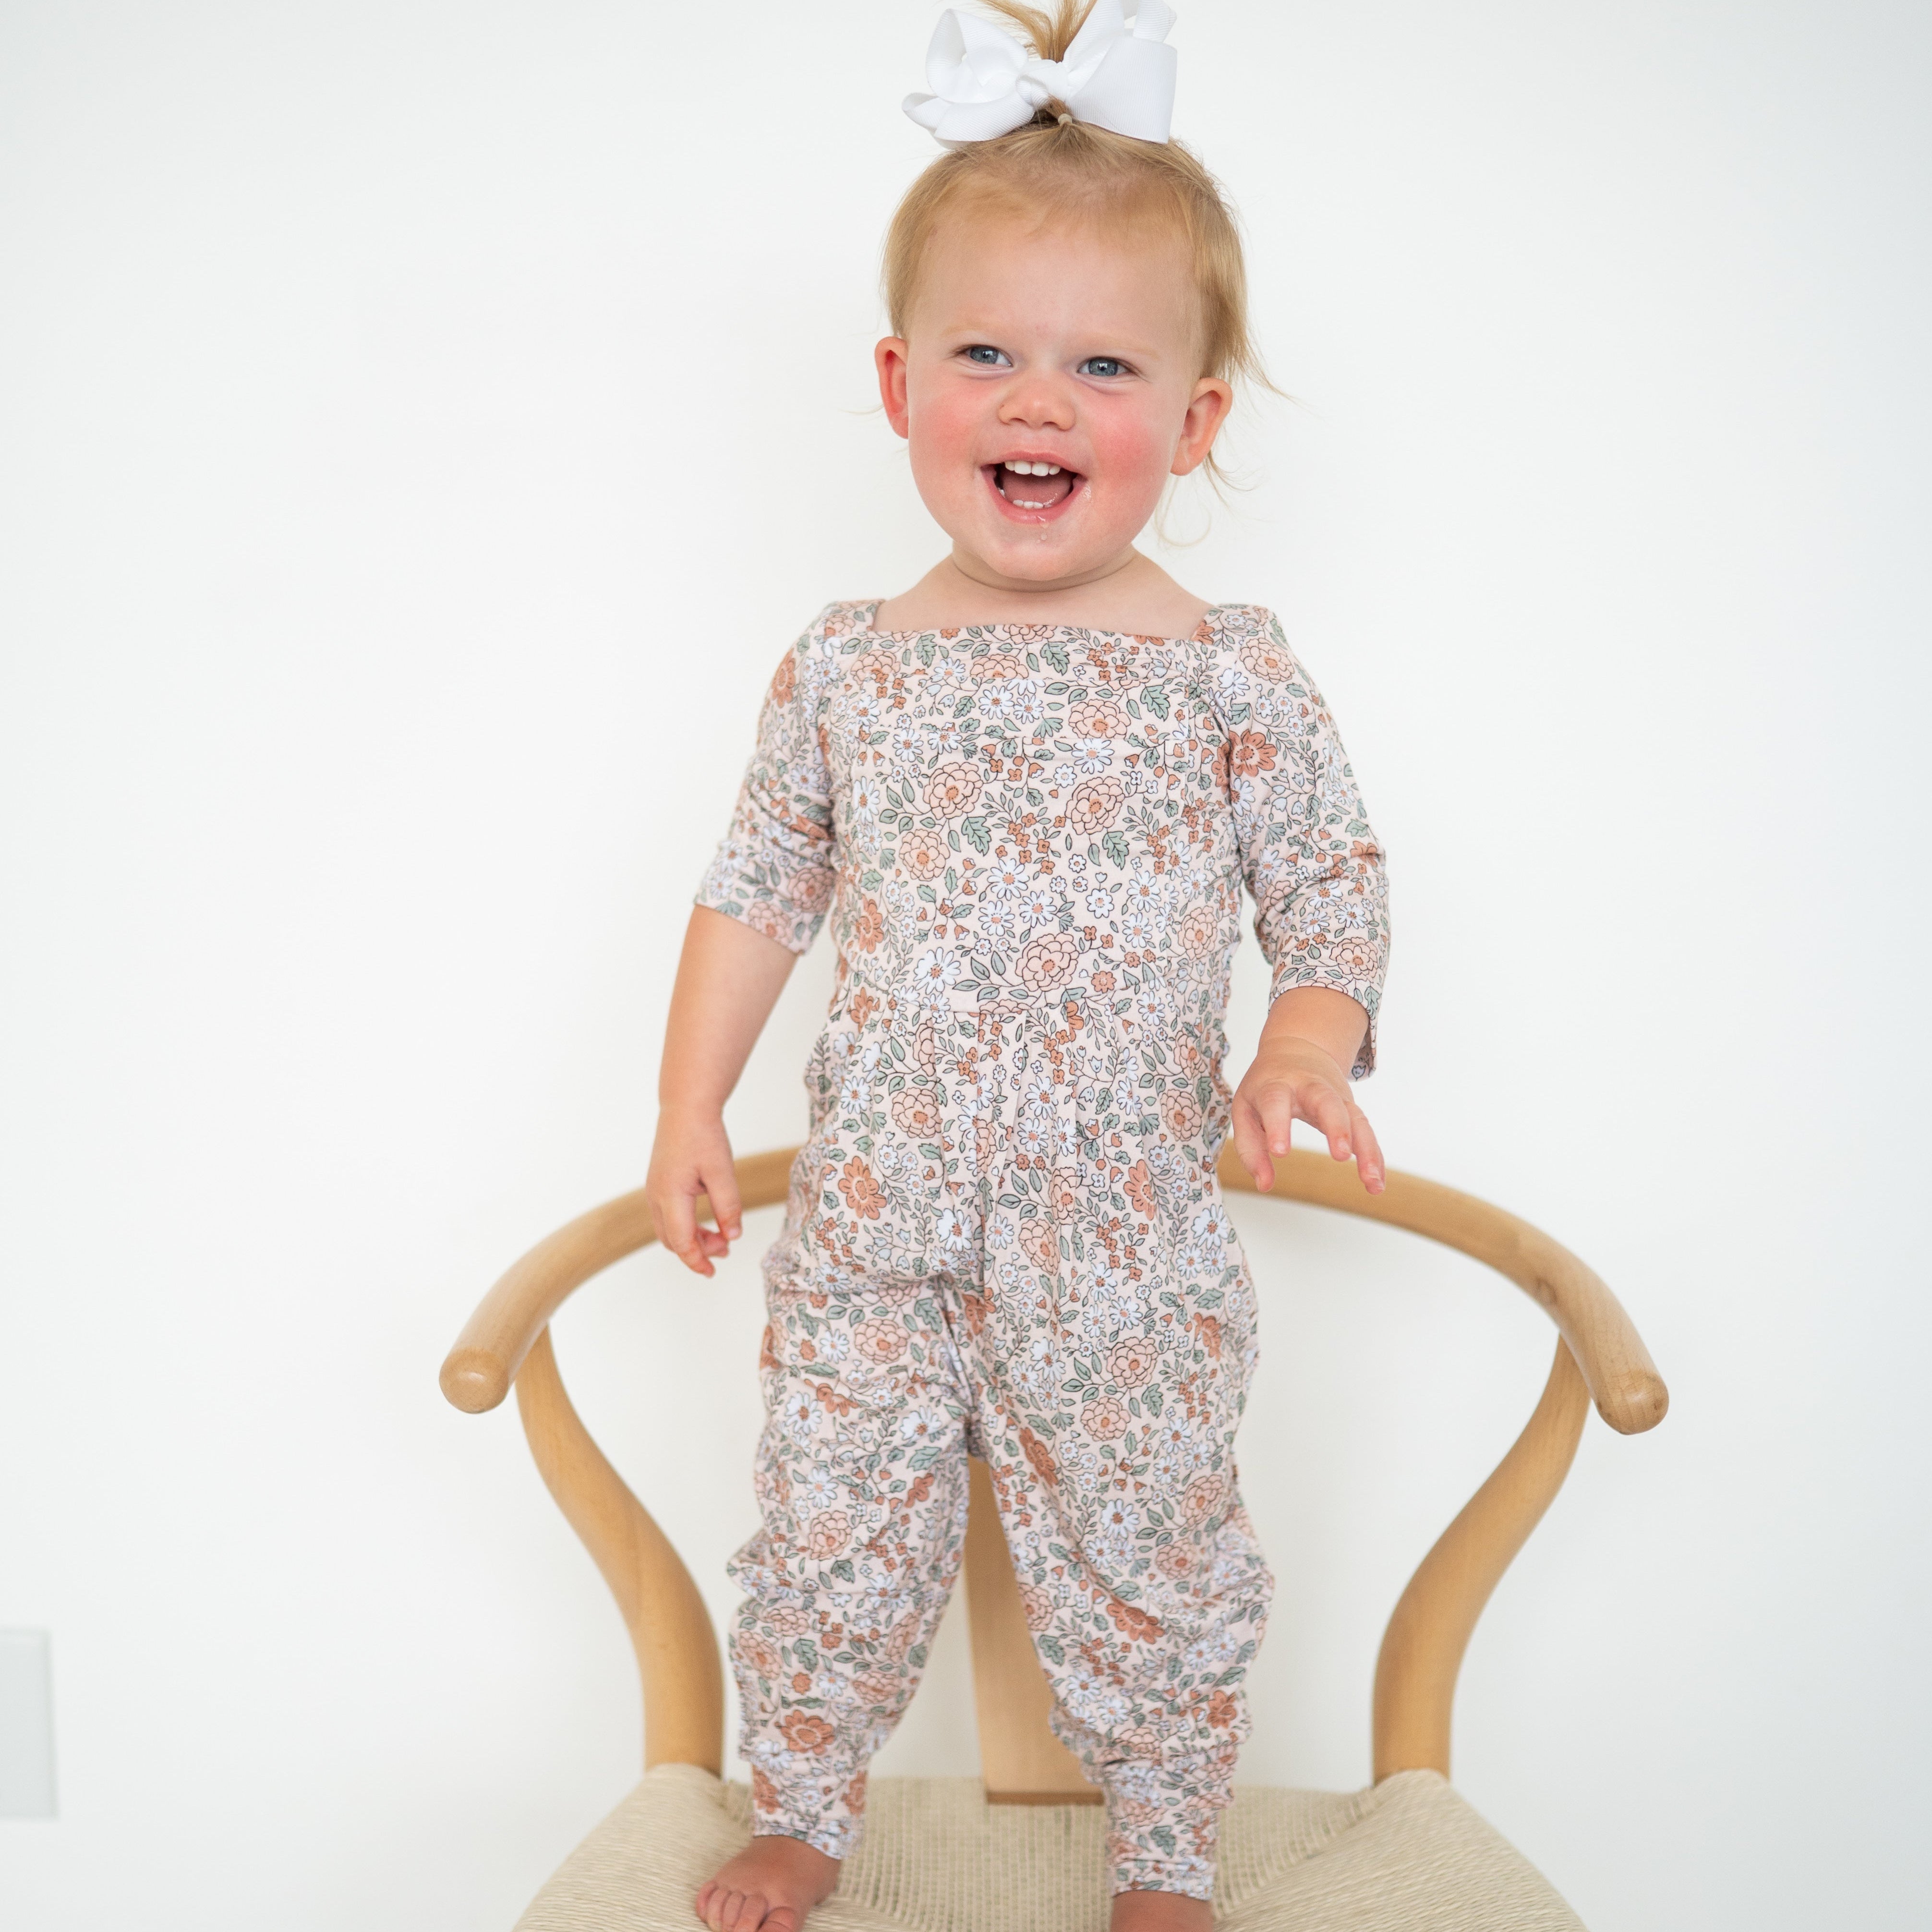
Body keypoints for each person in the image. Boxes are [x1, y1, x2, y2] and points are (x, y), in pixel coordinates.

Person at [645, 6, 1389, 1928]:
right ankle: (804, 1803)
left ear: (1195, 419)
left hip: (1123, 1243)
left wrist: (1310, 1023)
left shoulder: (1225, 669)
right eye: (986, 353)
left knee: (1151, 1542)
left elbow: (1328, 876)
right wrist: (687, 1104)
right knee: (827, 1525)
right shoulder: (847, 666)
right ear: (899, 386)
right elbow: (756, 887)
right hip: (876, 1232)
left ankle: (1161, 1851)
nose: (1037, 401)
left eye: (1101, 366)